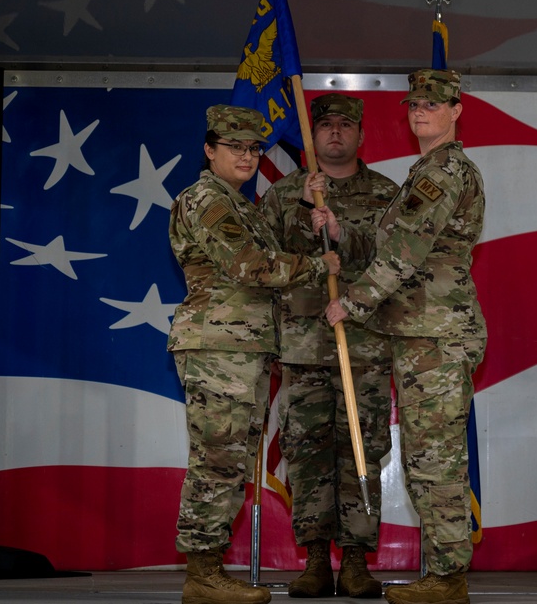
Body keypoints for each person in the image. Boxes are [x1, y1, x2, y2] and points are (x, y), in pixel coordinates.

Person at [315, 69, 486, 604]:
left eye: (433, 104)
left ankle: (448, 577)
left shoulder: (444, 171)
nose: (421, 112)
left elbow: (407, 252)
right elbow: (396, 239)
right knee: (425, 456)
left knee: (434, 458)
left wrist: (354, 302)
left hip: (435, 336)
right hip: (421, 335)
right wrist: (347, 233)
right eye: (414, 104)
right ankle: (444, 572)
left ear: (456, 109)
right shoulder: (426, 170)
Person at [167, 104, 341, 604]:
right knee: (217, 460)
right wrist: (316, 264)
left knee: (231, 461)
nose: (246, 156)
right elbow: (250, 267)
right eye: (234, 147)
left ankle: (209, 569)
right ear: (209, 150)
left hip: (240, 348)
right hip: (217, 346)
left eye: (253, 148)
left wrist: (311, 213)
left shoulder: (238, 204)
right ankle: (201, 574)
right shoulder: (206, 199)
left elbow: (263, 253)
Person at [259, 93, 399, 598]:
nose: (335, 133)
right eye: (325, 126)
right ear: (311, 136)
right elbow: (264, 262)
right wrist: (305, 212)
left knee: (362, 451)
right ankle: (316, 558)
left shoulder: (386, 194)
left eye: (346, 125)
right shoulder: (285, 195)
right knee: (307, 452)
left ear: (361, 135)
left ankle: (358, 560)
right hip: (302, 344)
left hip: (363, 345)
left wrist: (345, 234)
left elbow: (395, 262)